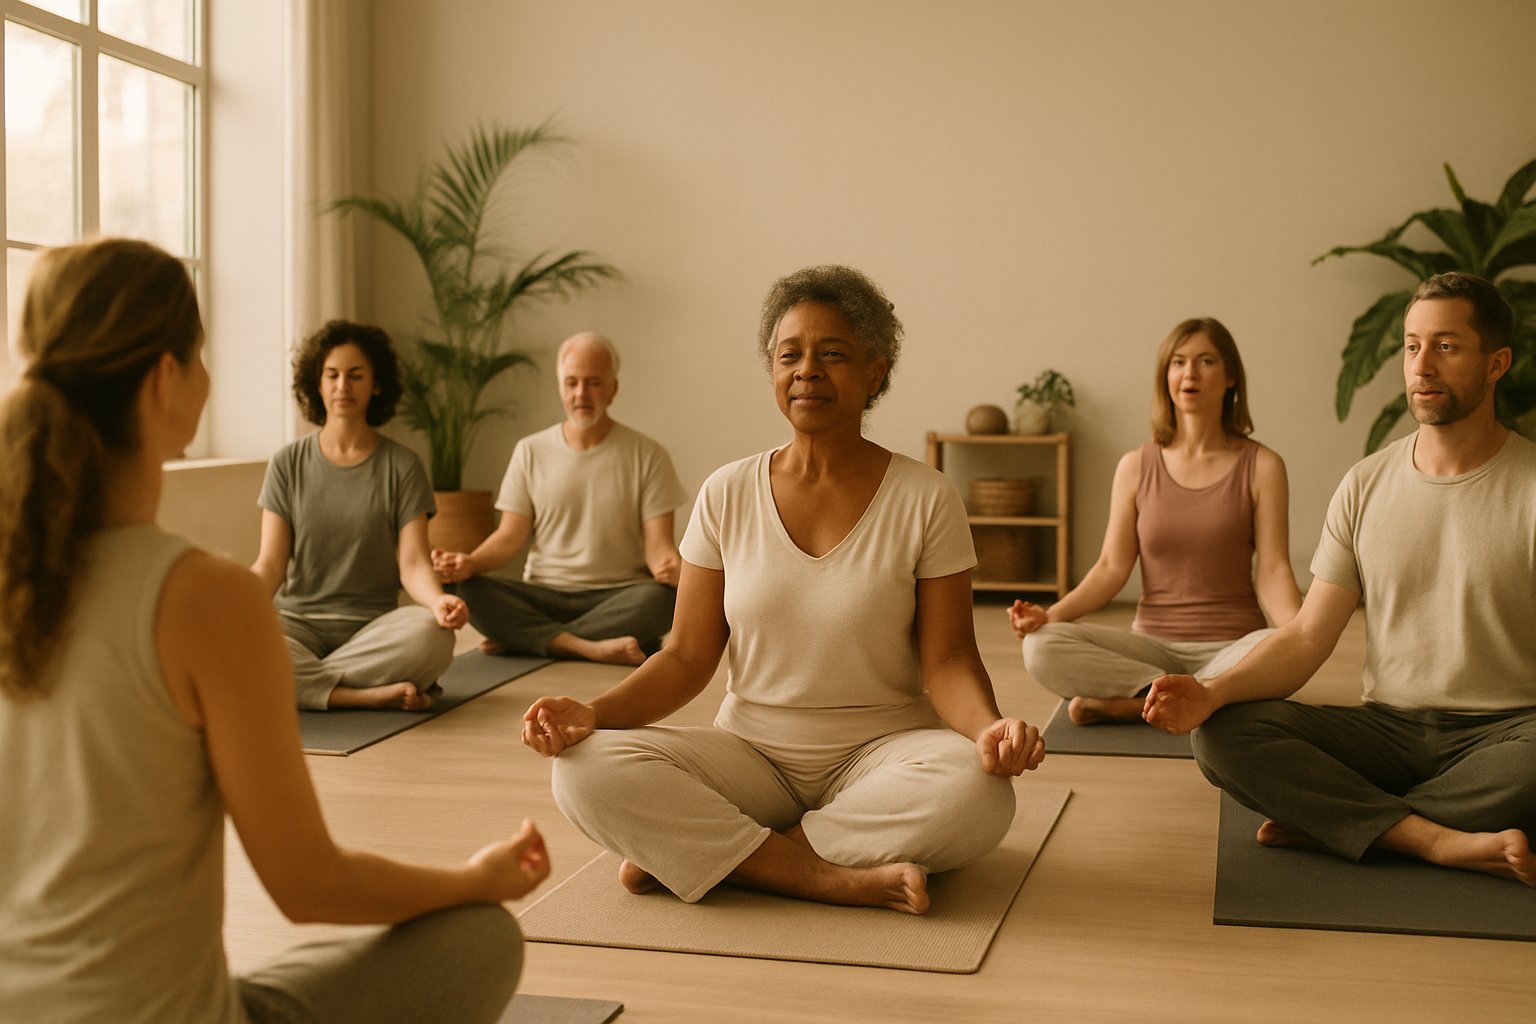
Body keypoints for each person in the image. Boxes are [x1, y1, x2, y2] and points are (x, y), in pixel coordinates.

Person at [0, 238, 550, 1024]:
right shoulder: (204, 597)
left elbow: (411, 564)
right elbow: (307, 884)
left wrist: (432, 604)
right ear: (164, 380)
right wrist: (475, 879)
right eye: (198, 356)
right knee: (479, 937)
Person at [521, 266, 1045, 916]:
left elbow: (948, 662)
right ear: (772, 369)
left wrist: (990, 730)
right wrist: (594, 715)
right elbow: (686, 657)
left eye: (833, 355)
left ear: (875, 373)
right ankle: (817, 874)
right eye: (789, 355)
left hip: (882, 752)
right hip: (751, 755)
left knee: (980, 790)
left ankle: (722, 857)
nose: (808, 371)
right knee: (582, 769)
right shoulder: (726, 492)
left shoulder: (926, 499)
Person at [1145, 273, 1536, 886]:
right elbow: (1305, 639)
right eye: (1411, 346)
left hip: (1506, 732)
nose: (1422, 366)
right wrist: (1213, 692)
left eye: (1447, 346)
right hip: (1388, 728)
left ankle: (1338, 820)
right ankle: (1432, 838)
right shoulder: (1365, 484)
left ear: (1497, 363)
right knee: (1223, 735)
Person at [1010, 317, 1302, 724]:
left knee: (1278, 648)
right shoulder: (1135, 467)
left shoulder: (1263, 466)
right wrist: (1050, 616)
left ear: (1231, 376)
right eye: (1178, 362)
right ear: (1166, 375)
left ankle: (1136, 705)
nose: (1190, 373)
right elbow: (1111, 568)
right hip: (1150, 648)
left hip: (1231, 645)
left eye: (1206, 361)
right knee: (1040, 647)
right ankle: (1198, 697)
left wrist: (1300, 634)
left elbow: (1273, 570)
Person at [433, 331, 688, 667]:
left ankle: (529, 639)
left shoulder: (648, 455)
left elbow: (659, 548)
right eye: (571, 383)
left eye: (593, 383)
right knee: (467, 590)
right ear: (560, 388)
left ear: (613, 388)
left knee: (665, 600)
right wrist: (469, 564)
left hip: (617, 593)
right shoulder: (530, 451)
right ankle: (585, 646)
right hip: (543, 593)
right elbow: (510, 538)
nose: (581, 393)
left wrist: (678, 573)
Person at [251, 320, 467, 711]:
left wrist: (438, 603)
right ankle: (357, 695)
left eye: (355, 376)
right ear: (316, 384)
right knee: (239, 639)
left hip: (371, 629)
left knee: (433, 636)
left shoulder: (402, 466)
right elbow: (270, 565)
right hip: (296, 625)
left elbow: (415, 563)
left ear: (377, 384)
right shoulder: (287, 463)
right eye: (331, 375)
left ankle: (301, 687)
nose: (342, 386)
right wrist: (231, 607)